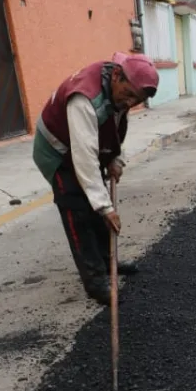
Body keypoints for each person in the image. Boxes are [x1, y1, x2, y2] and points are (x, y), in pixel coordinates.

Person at [33, 52, 159, 305]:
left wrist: (115, 158)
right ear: (116, 76)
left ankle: (107, 261)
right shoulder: (84, 98)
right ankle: (96, 281)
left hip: (83, 149)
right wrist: (105, 206)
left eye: (137, 99)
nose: (130, 102)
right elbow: (84, 157)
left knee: (97, 210)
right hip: (58, 153)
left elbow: (115, 125)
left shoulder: (118, 93)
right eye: (129, 94)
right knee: (79, 210)